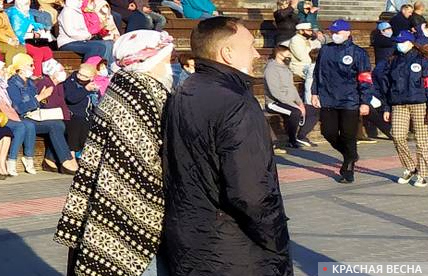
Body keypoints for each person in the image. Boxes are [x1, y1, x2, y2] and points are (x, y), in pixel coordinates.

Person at [162, 17, 289, 276]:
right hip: (234, 251)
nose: (256, 53)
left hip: (189, 242)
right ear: (227, 53)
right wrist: (277, 237)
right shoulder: (236, 103)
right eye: (250, 46)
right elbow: (250, 193)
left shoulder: (184, 90)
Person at [54, 28, 176, 276]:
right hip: (136, 214)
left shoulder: (120, 87)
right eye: (167, 59)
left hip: (113, 206)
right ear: (150, 60)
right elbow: (143, 165)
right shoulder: (144, 93)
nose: (169, 66)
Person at [311, 18, 372, 182]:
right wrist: (314, 92)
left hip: (349, 100)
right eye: (332, 32)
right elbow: (318, 73)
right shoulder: (325, 50)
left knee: (348, 135)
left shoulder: (358, 53)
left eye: (337, 32)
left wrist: (365, 101)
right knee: (328, 132)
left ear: (348, 33)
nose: (334, 35)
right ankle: (351, 154)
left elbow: (365, 78)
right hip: (328, 98)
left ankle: (348, 169)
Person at [4, 52, 75, 174]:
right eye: (30, 65)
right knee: (53, 125)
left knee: (58, 124)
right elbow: (18, 108)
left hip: (33, 115)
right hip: (22, 118)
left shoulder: (30, 82)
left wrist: (42, 98)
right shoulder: (12, 84)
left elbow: (39, 101)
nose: (33, 68)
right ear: (20, 68)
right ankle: (65, 160)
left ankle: (55, 159)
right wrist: (39, 97)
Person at [380, 29, 428, 184]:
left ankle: (423, 173)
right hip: (398, 103)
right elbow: (387, 85)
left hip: (420, 102)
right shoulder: (393, 60)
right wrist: (387, 107)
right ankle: (410, 167)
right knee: (398, 135)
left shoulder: (422, 59)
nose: (399, 45)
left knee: (422, 140)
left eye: (402, 42)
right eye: (397, 42)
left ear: (411, 43)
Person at [264, 43, 316, 153]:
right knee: (295, 112)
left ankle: (301, 135)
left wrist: (300, 103)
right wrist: (294, 105)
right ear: (279, 54)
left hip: (288, 101)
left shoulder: (285, 68)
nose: (289, 57)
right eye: (287, 54)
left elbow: (292, 87)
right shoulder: (271, 69)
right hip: (274, 103)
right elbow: (275, 92)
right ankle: (292, 140)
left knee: (311, 109)